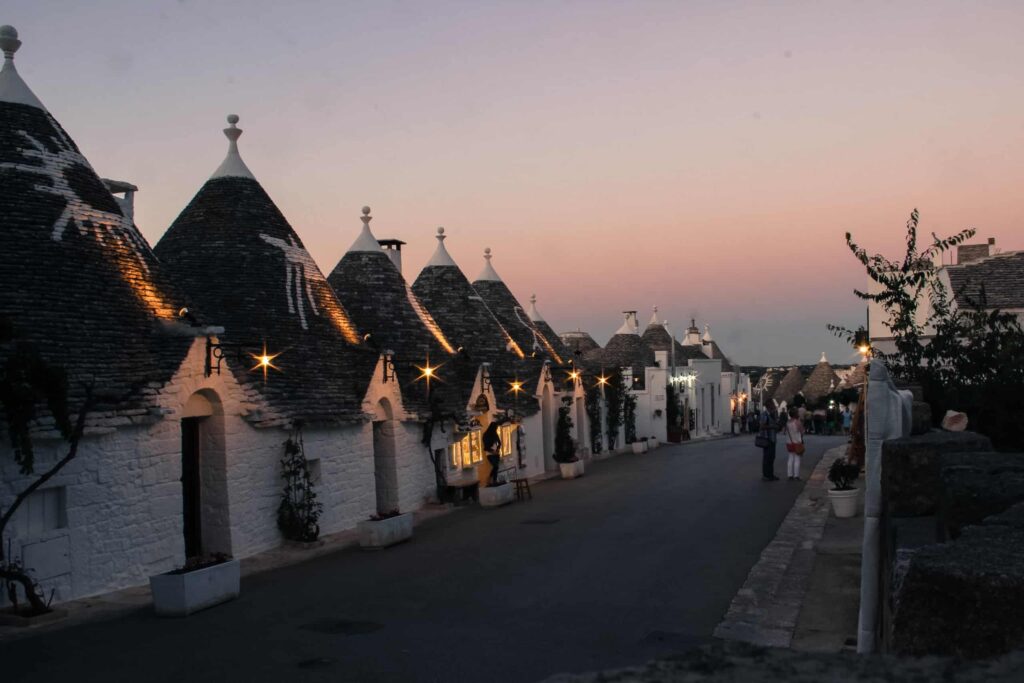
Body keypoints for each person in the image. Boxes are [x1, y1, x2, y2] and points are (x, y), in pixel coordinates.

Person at [759, 407, 779, 481]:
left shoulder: (772, 415)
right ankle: (766, 475)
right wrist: (772, 427)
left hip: (773, 439)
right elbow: (762, 426)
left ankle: (771, 474)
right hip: (767, 439)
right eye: (773, 406)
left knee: (772, 457)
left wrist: (777, 427)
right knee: (767, 458)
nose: (774, 409)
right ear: (769, 406)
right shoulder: (764, 415)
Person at [785, 408, 805, 480]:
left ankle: (789, 474)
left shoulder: (787, 422)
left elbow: (785, 431)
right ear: (796, 414)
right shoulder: (797, 422)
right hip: (797, 442)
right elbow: (802, 431)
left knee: (790, 458)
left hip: (789, 442)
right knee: (797, 459)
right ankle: (796, 475)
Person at [482, 421, 503, 486]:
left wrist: (498, 449)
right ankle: (490, 478)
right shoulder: (486, 435)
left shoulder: (495, 434)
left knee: (496, 467)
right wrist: (492, 451)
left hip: (496, 453)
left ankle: (494, 480)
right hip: (490, 454)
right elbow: (486, 447)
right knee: (495, 466)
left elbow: (499, 443)